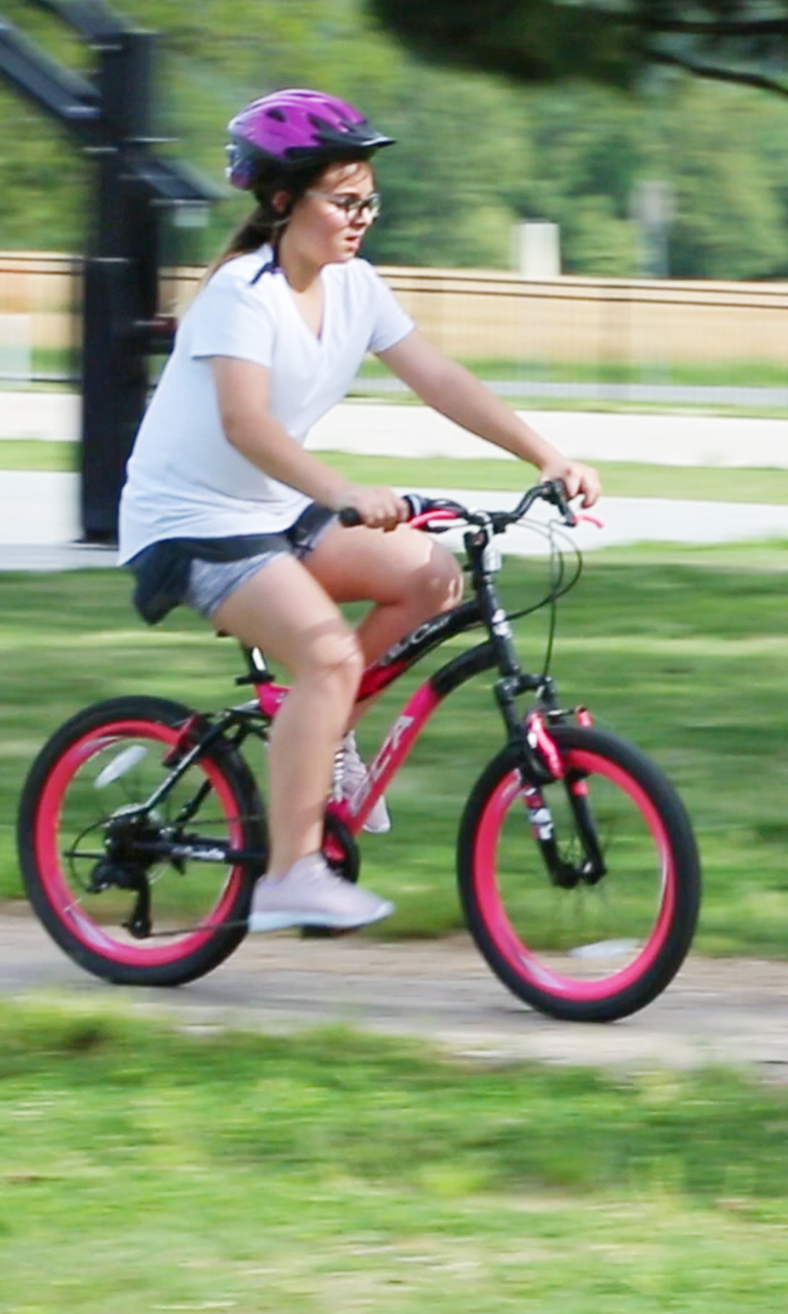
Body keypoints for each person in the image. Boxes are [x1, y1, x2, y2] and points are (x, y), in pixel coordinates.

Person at [117, 88, 600, 934]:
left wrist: (544, 455)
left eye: (369, 200)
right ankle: (290, 873)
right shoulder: (242, 293)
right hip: (190, 524)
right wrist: (340, 493)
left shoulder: (355, 287)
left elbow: (440, 379)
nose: (361, 215)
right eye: (344, 199)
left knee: (433, 575)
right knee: (329, 656)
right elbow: (247, 422)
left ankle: (330, 736)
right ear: (281, 199)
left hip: (273, 513)